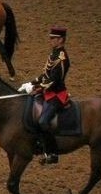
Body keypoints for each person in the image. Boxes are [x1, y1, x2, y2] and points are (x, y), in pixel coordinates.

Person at [18, 25, 71, 165]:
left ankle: (52, 152)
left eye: (53, 38)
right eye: (51, 38)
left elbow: (55, 80)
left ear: (61, 40)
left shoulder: (62, 58)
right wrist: (30, 83)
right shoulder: (53, 54)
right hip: (47, 92)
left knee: (43, 121)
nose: (51, 40)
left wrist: (37, 88)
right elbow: (45, 74)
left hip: (56, 95)